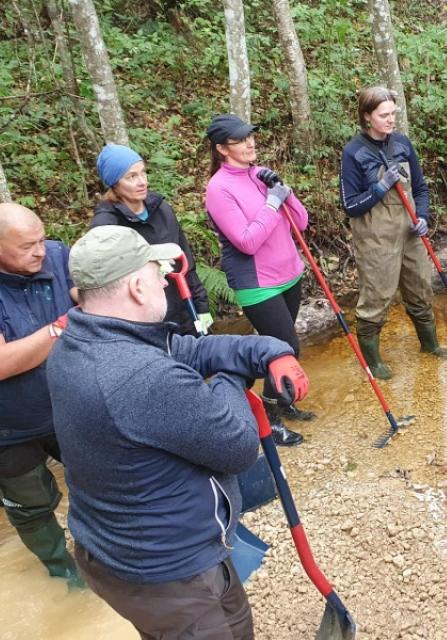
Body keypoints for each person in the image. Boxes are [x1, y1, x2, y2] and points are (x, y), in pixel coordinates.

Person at [48, 225, 310, 640]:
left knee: (233, 623)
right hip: (167, 572)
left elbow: (189, 350)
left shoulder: (81, 340)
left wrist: (268, 351)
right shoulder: (140, 375)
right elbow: (240, 448)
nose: (165, 283)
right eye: (159, 274)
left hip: (123, 550)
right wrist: (232, 374)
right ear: (137, 287)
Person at [204, 113, 309, 446]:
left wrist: (283, 192)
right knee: (283, 348)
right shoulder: (219, 189)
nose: (250, 143)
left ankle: (281, 401)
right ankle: (269, 419)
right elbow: (246, 241)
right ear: (222, 148)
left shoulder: (259, 175)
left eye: (250, 135)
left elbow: (302, 222)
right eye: (240, 139)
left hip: (289, 273)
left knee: (281, 346)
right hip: (256, 282)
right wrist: (271, 203)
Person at [339, 85, 447, 380]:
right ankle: (373, 361)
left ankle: (430, 346)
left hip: (410, 232)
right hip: (376, 238)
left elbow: (420, 189)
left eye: (394, 113)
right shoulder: (354, 153)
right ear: (367, 117)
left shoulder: (402, 144)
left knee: (419, 288)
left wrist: (424, 217)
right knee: (377, 297)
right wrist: (379, 187)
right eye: (384, 115)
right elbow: (350, 206)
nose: (391, 120)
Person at [0, 203, 83, 589]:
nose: (39, 251)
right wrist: (61, 328)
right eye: (26, 246)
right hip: (9, 427)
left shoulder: (56, 254)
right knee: (30, 506)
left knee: (98, 479)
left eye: (40, 238)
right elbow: (2, 363)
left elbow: (86, 297)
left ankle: (105, 555)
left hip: (70, 404)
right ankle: (62, 571)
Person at [91, 143, 212, 336]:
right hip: (148, 322)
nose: (142, 182)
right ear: (114, 183)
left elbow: (186, 260)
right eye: (131, 177)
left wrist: (202, 307)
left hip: (186, 309)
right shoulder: (106, 226)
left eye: (143, 173)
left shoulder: (161, 208)